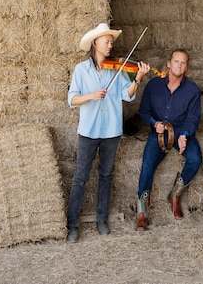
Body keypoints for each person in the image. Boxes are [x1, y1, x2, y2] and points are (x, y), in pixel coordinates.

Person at [66, 23, 150, 242]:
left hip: (111, 131)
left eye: (112, 41)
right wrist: (91, 96)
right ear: (95, 43)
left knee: (106, 176)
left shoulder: (118, 68)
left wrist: (138, 79)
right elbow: (72, 99)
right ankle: (72, 225)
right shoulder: (81, 70)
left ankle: (102, 221)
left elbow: (127, 95)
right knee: (80, 177)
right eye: (107, 41)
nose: (111, 45)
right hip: (88, 131)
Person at [135, 49, 203, 231]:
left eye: (183, 63)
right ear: (168, 63)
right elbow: (143, 111)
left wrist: (185, 134)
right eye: (176, 62)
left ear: (186, 67)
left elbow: (193, 117)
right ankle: (142, 212)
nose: (179, 65)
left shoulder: (192, 90)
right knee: (148, 165)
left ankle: (175, 195)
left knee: (196, 159)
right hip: (158, 133)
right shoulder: (153, 85)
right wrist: (153, 123)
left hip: (181, 131)